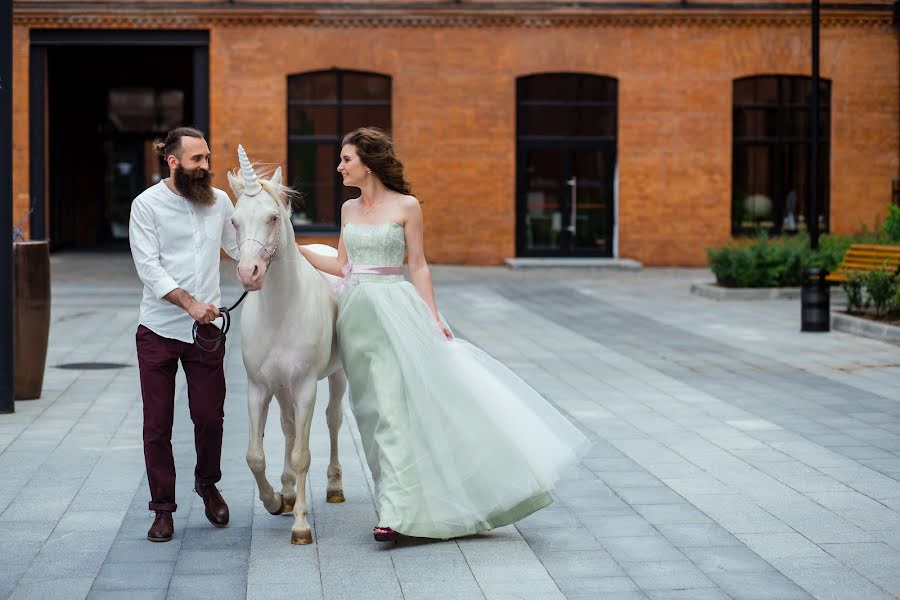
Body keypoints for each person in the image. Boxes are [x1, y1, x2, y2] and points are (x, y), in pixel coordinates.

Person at [300, 127, 588, 542]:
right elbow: (343, 265)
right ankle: (399, 504)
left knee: (394, 414)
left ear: (368, 162)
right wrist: (295, 249)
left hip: (393, 311)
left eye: (346, 159)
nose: (339, 166)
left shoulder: (407, 205)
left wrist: (433, 316)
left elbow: (417, 264)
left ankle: (397, 515)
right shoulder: (347, 210)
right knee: (369, 415)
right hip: (355, 319)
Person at [129, 127, 240, 542]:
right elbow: (149, 267)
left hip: (206, 333)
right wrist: (191, 303)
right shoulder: (146, 205)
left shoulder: (220, 202)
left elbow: (238, 245)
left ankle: (207, 483)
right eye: (196, 160)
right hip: (158, 329)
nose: (205, 167)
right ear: (172, 161)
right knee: (157, 425)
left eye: (207, 158)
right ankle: (162, 510)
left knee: (210, 417)